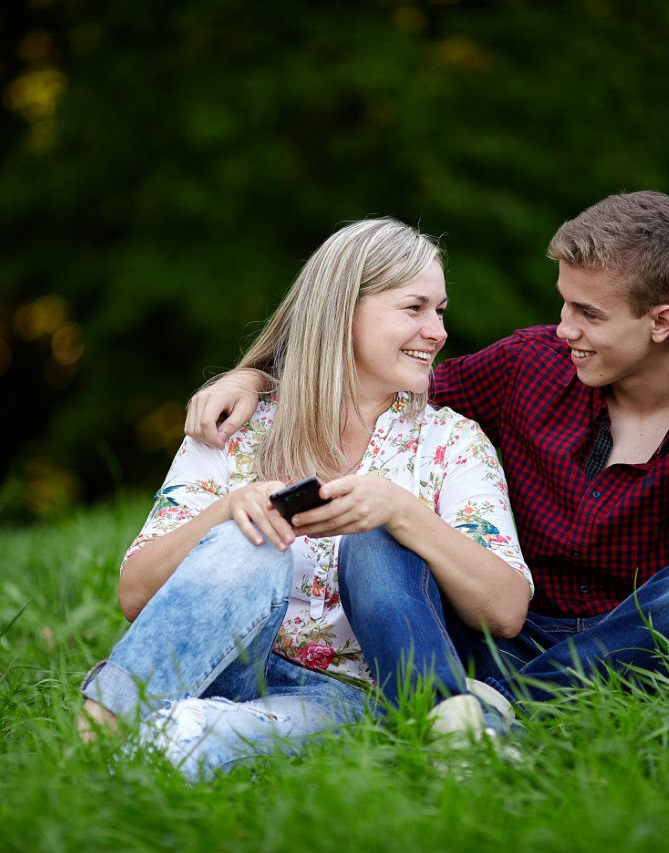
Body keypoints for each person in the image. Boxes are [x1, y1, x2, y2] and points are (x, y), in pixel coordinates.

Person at [185, 191, 669, 704]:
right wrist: (257, 378)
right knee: (380, 531)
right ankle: (467, 713)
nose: (565, 328)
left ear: (663, 322)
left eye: (588, 314)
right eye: (564, 303)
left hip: (650, 647)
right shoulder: (530, 363)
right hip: (495, 641)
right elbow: (374, 377)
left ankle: (498, 712)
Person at [78, 218, 532, 781]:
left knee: (181, 742)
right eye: (414, 308)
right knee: (248, 539)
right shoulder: (237, 427)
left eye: (440, 311)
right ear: (344, 310)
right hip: (225, 660)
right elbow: (135, 594)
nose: (437, 331)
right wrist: (227, 510)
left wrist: (402, 511)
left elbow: (507, 610)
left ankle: (138, 746)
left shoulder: (452, 443)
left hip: (342, 695)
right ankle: (99, 726)